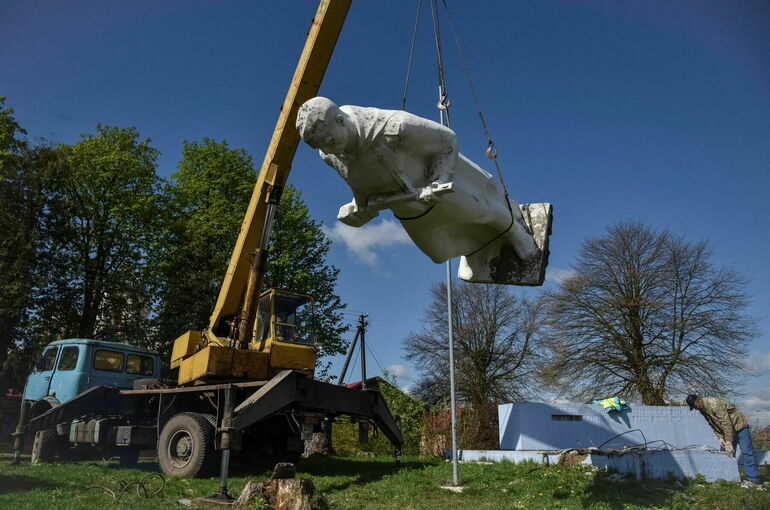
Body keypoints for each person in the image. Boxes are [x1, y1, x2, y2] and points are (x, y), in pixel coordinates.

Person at [295, 96, 551, 285]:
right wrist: (357, 207)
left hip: (433, 188)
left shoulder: (394, 127)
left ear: (341, 120)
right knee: (439, 254)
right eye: (322, 146)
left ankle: (516, 231)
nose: (330, 150)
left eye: (330, 141)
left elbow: (448, 140)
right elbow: (359, 181)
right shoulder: (328, 154)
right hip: (407, 206)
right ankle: (478, 246)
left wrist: (440, 178)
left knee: (482, 212)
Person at [686, 394, 761, 485]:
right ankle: (726, 479)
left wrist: (728, 441)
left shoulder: (715, 404)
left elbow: (726, 423)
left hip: (740, 427)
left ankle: (753, 479)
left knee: (747, 452)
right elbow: (713, 424)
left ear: (699, 401)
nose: (696, 409)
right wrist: (720, 438)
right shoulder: (703, 409)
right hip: (727, 431)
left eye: (695, 406)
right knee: (724, 454)